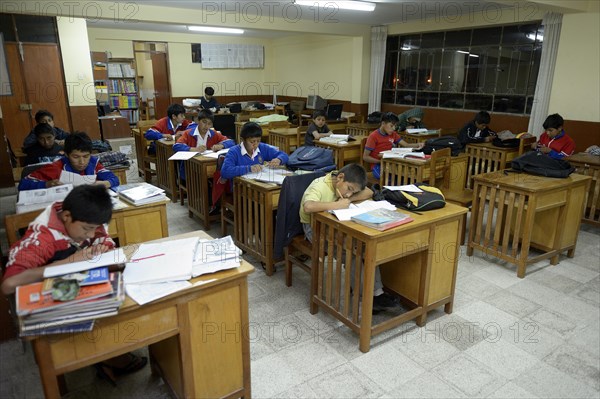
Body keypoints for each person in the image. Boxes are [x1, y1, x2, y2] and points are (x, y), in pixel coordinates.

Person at [1, 185, 147, 384]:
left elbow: (103, 241)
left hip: (86, 281)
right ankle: (106, 355)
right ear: (67, 216)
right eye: (87, 229)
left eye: (95, 228)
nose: (90, 234)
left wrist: (106, 251)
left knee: (127, 296)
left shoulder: (90, 218)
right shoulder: (42, 238)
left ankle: (109, 352)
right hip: (54, 298)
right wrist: (69, 262)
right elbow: (9, 284)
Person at [299, 163, 397, 313]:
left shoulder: (345, 186)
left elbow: (369, 192)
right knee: (350, 253)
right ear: (340, 177)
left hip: (336, 227)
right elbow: (308, 207)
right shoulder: (319, 185)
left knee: (366, 247)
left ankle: (376, 294)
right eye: (349, 189)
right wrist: (339, 204)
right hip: (314, 229)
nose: (349, 194)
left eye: (353, 192)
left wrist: (348, 199)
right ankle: (367, 297)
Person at [19, 132, 119, 190]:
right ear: (66, 154)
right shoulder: (56, 167)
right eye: (76, 157)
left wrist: (104, 183)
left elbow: (114, 179)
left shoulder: (93, 162)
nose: (82, 162)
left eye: (86, 156)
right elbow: (23, 185)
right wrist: (46, 184)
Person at [173, 109, 235, 180]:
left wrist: (221, 145)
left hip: (207, 167)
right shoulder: (189, 133)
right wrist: (193, 149)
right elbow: (176, 146)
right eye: (204, 122)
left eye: (209, 123)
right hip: (189, 170)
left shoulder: (213, 133)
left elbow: (231, 142)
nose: (206, 126)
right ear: (198, 121)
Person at [363, 112, 424, 180]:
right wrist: (380, 162)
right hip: (377, 164)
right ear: (383, 123)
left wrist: (418, 144)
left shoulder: (393, 134)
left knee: (404, 176)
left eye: (395, 126)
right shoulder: (373, 136)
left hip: (390, 163)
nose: (394, 128)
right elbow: (365, 157)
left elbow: (406, 145)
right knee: (387, 178)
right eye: (391, 126)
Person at [220, 122, 289, 179]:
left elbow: (284, 155)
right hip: (240, 188)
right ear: (243, 140)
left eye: (258, 141)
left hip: (259, 185)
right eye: (252, 142)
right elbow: (225, 172)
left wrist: (279, 159)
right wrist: (249, 169)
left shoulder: (262, 147)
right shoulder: (234, 151)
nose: (255, 144)